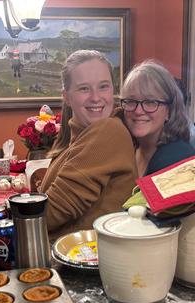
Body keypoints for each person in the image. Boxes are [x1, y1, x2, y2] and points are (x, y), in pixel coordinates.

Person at [40, 50, 137, 238]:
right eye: (84, 88)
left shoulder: (108, 130)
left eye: (103, 86)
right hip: (72, 251)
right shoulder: (79, 137)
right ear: (67, 97)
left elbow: (49, 214)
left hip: (87, 254)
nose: (95, 97)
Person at [120, 60, 195, 176]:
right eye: (131, 101)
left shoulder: (178, 161)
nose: (138, 111)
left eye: (150, 102)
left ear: (169, 110)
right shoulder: (128, 149)